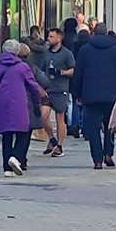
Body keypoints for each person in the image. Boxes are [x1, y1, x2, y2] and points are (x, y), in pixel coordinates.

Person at [0, 39, 46, 178]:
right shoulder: (22, 68)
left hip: (1, 105)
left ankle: (7, 168)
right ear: (17, 52)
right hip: (20, 105)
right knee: (23, 133)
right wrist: (36, 103)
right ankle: (16, 157)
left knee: (6, 136)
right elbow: (34, 87)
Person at [73, 25, 116, 170]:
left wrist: (77, 93)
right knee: (110, 126)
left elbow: (78, 73)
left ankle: (97, 160)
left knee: (93, 129)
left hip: (90, 94)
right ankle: (108, 154)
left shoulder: (85, 50)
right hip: (111, 94)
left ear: (93, 33)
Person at [39, 28, 76, 158]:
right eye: (49, 36)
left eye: (51, 37)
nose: (48, 39)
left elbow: (73, 70)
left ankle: (59, 145)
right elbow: (41, 69)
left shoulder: (67, 54)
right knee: (43, 115)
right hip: (47, 89)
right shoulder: (46, 53)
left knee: (60, 118)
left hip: (60, 89)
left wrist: (61, 72)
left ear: (59, 38)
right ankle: (51, 138)